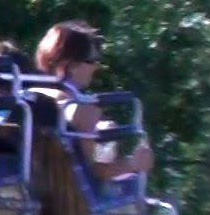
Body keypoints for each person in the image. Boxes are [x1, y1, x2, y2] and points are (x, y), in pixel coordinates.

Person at [31, 21, 152, 181]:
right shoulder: (83, 110)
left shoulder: (30, 95)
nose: (96, 67)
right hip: (69, 196)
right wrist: (133, 163)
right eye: (91, 61)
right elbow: (91, 174)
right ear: (71, 64)